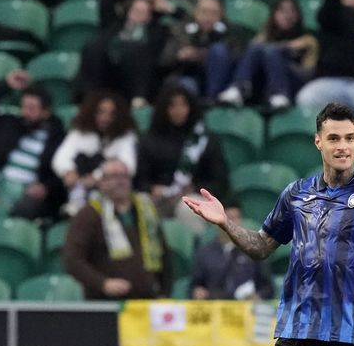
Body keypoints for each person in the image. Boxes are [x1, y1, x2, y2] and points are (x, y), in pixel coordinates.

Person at [183, 103, 354, 346]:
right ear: (318, 142)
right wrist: (226, 224)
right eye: (333, 138)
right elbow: (262, 246)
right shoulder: (296, 193)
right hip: (296, 333)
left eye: (349, 138)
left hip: (352, 336)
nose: (342, 147)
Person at [0, 69, 67, 224]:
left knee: (28, 206)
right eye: (23, 107)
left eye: (31, 109)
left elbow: (63, 171)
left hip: (29, 189)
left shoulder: (59, 138)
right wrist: (5, 85)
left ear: (45, 112)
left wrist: (45, 187)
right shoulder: (8, 124)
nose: (25, 113)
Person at [64, 158, 173, 300]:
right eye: (113, 177)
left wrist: (164, 292)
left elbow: (164, 254)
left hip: (147, 301)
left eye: (124, 176)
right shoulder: (88, 214)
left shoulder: (146, 211)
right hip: (106, 305)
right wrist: (103, 283)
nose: (119, 181)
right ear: (101, 181)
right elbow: (72, 260)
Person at [136, 83, 229, 234]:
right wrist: (151, 189)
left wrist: (194, 187)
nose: (178, 111)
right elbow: (140, 180)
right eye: (172, 106)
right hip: (159, 198)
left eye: (183, 105)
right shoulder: (149, 140)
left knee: (188, 208)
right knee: (142, 205)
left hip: (192, 196)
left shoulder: (205, 139)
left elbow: (220, 181)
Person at [74, 0, 178, 106]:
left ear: (149, 16)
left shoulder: (156, 31)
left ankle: (138, 98)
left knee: (135, 50)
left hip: (141, 74)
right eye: (135, 10)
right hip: (110, 69)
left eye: (143, 12)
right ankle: (89, 96)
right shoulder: (116, 26)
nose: (138, 14)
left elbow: (183, 25)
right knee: (92, 48)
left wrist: (169, 8)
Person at [217, 0, 319, 109]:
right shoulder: (265, 36)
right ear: (273, 14)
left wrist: (283, 53)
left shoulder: (307, 40)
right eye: (282, 11)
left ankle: (280, 94)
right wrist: (285, 46)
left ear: (298, 15)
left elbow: (308, 75)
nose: (287, 15)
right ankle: (238, 88)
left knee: (271, 52)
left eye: (292, 11)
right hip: (264, 87)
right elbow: (250, 58)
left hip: (293, 85)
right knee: (257, 49)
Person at [52, 91, 138, 215]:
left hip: (108, 188)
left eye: (111, 114)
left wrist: (96, 177)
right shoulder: (79, 132)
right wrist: (68, 171)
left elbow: (129, 165)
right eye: (100, 112)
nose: (105, 118)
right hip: (78, 182)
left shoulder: (126, 137)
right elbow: (61, 157)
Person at [159, 0, 249, 100]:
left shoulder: (231, 31)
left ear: (221, 14)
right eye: (204, 11)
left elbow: (238, 56)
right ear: (195, 11)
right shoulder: (180, 29)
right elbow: (164, 60)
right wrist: (180, 56)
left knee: (218, 50)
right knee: (186, 86)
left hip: (221, 80)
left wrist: (205, 55)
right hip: (187, 75)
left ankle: (213, 101)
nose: (208, 17)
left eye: (214, 13)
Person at [189, 197, 275, 300]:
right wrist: (198, 292)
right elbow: (194, 286)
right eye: (229, 218)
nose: (233, 223)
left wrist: (258, 296)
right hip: (214, 308)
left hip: (245, 309)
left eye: (237, 218)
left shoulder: (253, 250)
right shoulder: (205, 253)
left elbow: (268, 287)